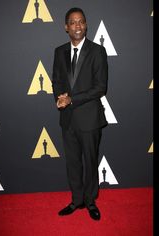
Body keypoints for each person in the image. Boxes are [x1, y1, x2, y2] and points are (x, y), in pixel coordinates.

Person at [52, 7, 108, 221]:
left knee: (91, 161)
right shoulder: (59, 52)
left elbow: (100, 87)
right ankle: (77, 200)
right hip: (67, 119)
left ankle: (90, 200)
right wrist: (59, 97)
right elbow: (56, 80)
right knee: (73, 162)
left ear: (86, 25)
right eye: (73, 22)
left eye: (81, 22)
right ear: (66, 27)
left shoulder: (97, 52)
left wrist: (71, 99)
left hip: (90, 118)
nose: (77, 26)